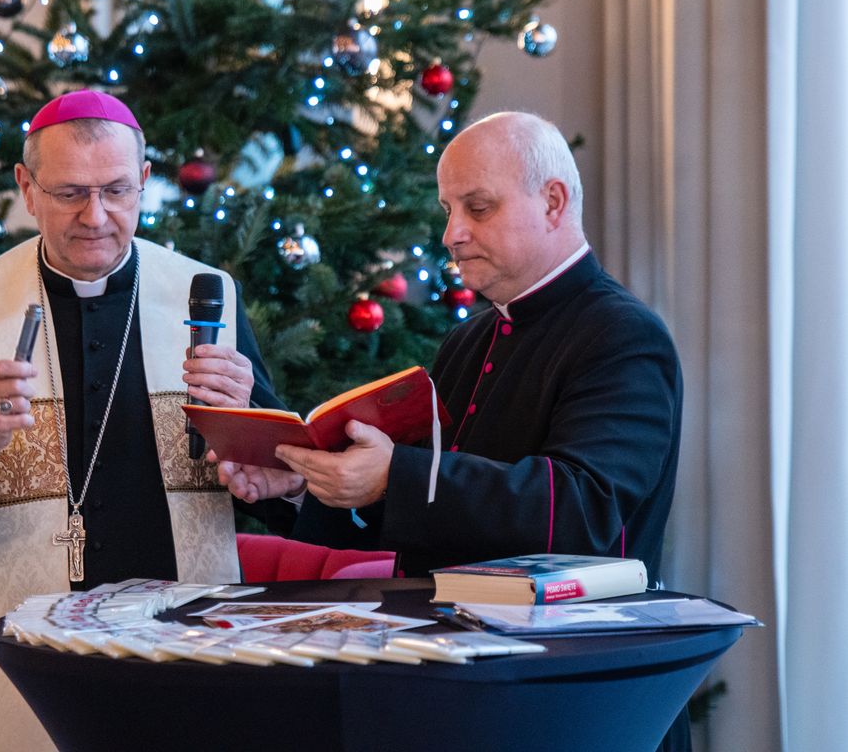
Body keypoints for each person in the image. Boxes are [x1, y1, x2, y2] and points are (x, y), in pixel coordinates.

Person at [220, 110, 686, 748]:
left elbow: (587, 511)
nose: (452, 233)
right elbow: (423, 518)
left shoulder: (623, 336)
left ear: (553, 202)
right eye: (448, 209)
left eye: (478, 207)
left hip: (571, 695)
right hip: (456, 690)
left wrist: (398, 474)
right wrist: (303, 486)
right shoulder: (469, 341)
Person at [0, 90, 291, 751]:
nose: (95, 216)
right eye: (68, 194)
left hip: (180, 651)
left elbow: (288, 494)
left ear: (145, 182)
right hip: (33, 662)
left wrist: (253, 431)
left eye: (117, 190)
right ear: (26, 189)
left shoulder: (206, 299)